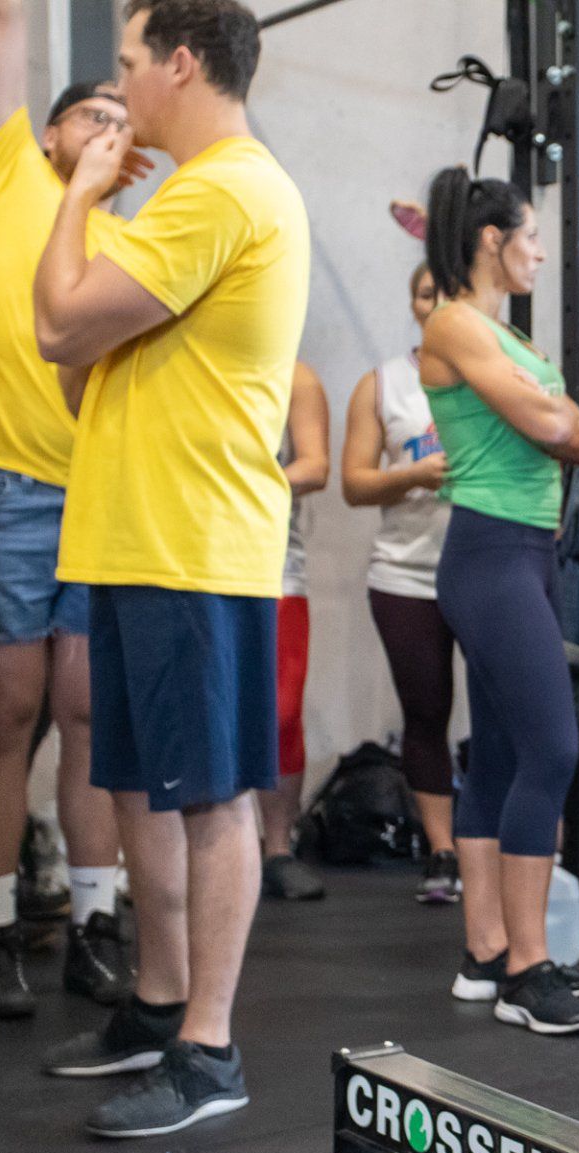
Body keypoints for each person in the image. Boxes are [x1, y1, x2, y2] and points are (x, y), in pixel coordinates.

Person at [32, 0, 306, 1138]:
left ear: (182, 64)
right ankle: (158, 1004)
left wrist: (81, 191)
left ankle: (210, 1046)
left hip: (195, 539)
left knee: (212, 795)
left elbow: (56, 327)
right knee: (141, 783)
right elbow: (80, 373)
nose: (120, 90)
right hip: (143, 533)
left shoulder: (219, 189)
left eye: (131, 63)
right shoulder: (195, 199)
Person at [0, 0, 133, 1017]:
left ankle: (94, 923)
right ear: (50, 132)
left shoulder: (127, 238)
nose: (110, 129)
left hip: (100, 499)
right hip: (5, 486)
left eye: (126, 121)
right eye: (93, 116)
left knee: (86, 717)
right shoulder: (5, 173)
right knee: (3, 713)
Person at [417, 165, 579, 1035]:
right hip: (488, 554)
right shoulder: (453, 321)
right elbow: (550, 427)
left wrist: (558, 414)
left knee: (496, 758)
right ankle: (529, 968)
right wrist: (554, 412)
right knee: (553, 749)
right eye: (529, 237)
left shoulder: (500, 333)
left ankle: (485, 952)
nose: (537, 252)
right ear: (493, 240)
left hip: (527, 554)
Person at [341, 262, 460, 904]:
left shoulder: (494, 374)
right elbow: (355, 483)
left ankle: (499, 850)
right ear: (414, 303)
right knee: (426, 712)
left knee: (509, 714)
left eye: (447, 291)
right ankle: (442, 853)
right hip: (406, 573)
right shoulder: (382, 384)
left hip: (485, 569)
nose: (436, 303)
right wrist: (414, 475)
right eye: (424, 291)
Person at [257, 359, 328, 902]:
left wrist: (240, 485)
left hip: (273, 568)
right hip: (192, 563)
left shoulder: (294, 376)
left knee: (281, 713)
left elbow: (315, 467)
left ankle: (278, 847)